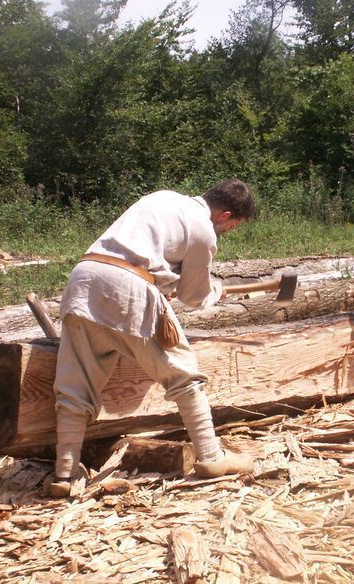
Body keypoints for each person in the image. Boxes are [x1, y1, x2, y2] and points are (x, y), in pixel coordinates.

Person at [49, 178, 256, 497]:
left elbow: (141, 255)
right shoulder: (202, 229)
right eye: (231, 227)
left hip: (85, 277)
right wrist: (215, 291)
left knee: (76, 384)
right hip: (127, 285)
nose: (226, 233)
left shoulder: (163, 198)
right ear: (225, 215)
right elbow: (194, 295)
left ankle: (64, 473)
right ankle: (212, 457)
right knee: (184, 376)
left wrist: (160, 286)